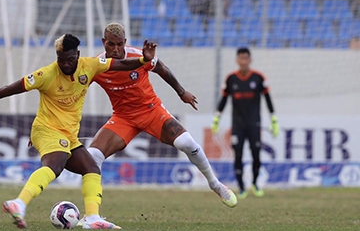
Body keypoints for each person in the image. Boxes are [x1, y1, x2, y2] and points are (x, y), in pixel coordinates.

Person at [0, 34, 158, 230]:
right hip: (47, 130)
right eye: (61, 60)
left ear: (77, 55)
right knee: (56, 164)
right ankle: (19, 203)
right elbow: (9, 89)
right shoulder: (46, 74)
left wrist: (142, 60)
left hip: (68, 135)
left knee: (91, 168)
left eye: (70, 59)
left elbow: (120, 65)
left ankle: (93, 218)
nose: (66, 64)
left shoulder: (91, 65)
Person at [86, 24, 236, 208]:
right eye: (111, 44)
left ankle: (215, 184)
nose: (115, 49)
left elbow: (161, 68)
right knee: (92, 156)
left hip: (151, 111)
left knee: (186, 143)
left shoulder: (139, 56)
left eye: (119, 44)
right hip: (123, 118)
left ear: (125, 42)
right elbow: (78, 84)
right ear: (103, 42)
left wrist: (181, 92)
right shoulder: (96, 66)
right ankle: (92, 215)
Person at [211, 48, 279, 199]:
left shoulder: (258, 78)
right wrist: (217, 118)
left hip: (254, 124)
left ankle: (255, 184)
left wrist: (273, 119)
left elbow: (267, 99)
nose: (243, 61)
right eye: (241, 59)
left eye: (246, 58)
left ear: (250, 60)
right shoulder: (231, 79)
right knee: (238, 155)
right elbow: (223, 100)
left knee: (256, 154)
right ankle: (241, 187)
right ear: (237, 60)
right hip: (238, 125)